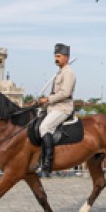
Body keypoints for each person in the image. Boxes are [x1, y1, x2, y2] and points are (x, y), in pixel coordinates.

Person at [37, 43, 75, 177]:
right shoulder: (60, 72)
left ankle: (48, 161)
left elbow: (65, 93)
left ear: (66, 57)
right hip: (53, 107)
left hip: (63, 108)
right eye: (55, 56)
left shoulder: (68, 73)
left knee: (45, 127)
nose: (56, 58)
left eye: (58, 56)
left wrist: (47, 99)